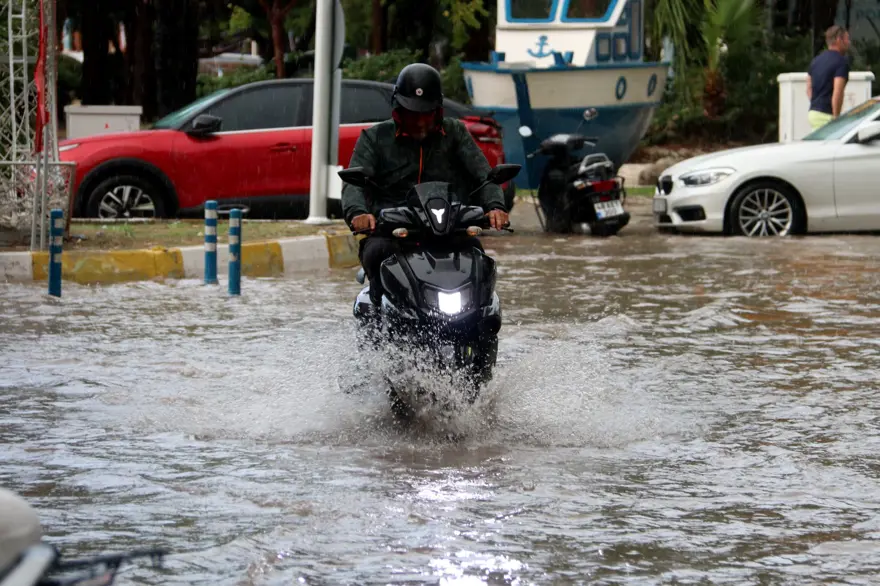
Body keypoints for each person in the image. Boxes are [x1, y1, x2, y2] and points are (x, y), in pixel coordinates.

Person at [342, 63, 509, 305]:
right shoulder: (375, 138)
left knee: (477, 254)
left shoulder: (456, 133)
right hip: (392, 232)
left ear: (437, 111)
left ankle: (481, 320)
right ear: (399, 109)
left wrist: (495, 206)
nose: (420, 122)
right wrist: (358, 212)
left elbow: (483, 175)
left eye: (426, 113)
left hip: (450, 229)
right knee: (376, 255)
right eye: (413, 113)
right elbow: (353, 183)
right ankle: (379, 324)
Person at [806, 25, 851, 131]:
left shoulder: (816, 61)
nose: (849, 43)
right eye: (847, 39)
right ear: (839, 40)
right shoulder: (841, 62)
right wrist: (836, 116)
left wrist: (816, 102)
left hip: (813, 113)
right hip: (827, 115)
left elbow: (808, 87)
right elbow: (838, 91)